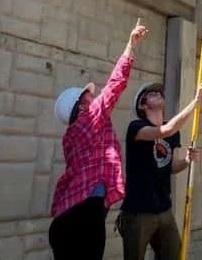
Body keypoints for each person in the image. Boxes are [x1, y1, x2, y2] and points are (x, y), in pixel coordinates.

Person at [49, 18, 148, 260]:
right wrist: (130, 46)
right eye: (88, 98)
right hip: (84, 215)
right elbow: (115, 86)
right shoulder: (88, 121)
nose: (93, 100)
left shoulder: (71, 136)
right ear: (81, 107)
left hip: (70, 217)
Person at [118, 78, 202, 260]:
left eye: (159, 92)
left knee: (174, 256)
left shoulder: (172, 133)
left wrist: (186, 160)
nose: (158, 94)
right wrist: (196, 101)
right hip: (138, 213)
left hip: (164, 210)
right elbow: (166, 130)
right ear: (143, 106)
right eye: (151, 93)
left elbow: (171, 167)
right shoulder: (136, 127)